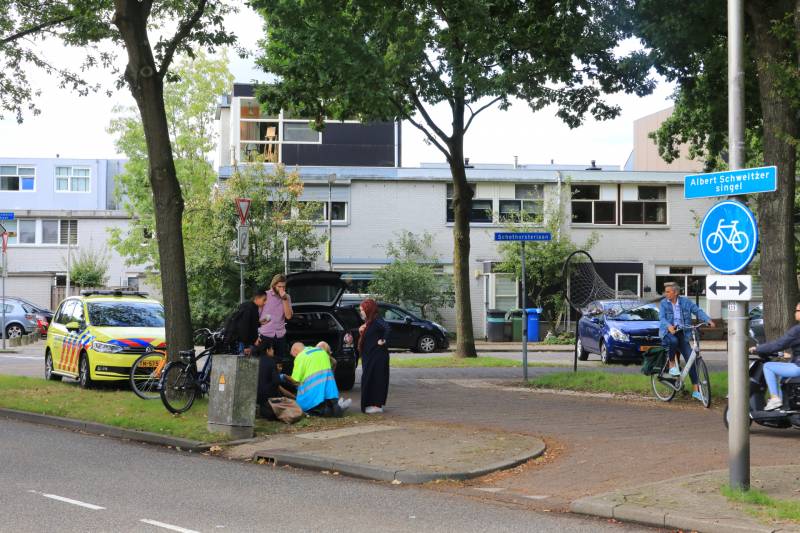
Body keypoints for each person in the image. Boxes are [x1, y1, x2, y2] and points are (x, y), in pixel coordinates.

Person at [659, 282, 715, 402]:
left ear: (676, 292)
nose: (666, 294)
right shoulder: (664, 303)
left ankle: (696, 391)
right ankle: (672, 363)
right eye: (666, 291)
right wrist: (669, 326)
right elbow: (662, 318)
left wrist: (708, 320)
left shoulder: (685, 302)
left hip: (683, 333)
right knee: (673, 341)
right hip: (668, 332)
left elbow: (697, 311)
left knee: (691, 360)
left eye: (668, 291)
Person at [749, 302, 800, 411]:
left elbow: (778, 344)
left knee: (768, 366)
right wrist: (792, 355)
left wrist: (758, 349)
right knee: (783, 377)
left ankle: (775, 398)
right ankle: (785, 405)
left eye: (797, 311)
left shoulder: (797, 330)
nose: (795, 313)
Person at [284, 342, 350, 415]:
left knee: (310, 408)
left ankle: (330, 410)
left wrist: (283, 377)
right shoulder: (321, 351)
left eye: (294, 356)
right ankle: (337, 407)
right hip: (329, 392)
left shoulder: (301, 356)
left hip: (311, 396)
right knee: (329, 405)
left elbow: (295, 380)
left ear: (295, 351)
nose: (295, 357)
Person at [358, 299, 391, 414]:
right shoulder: (370, 321)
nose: (361, 312)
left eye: (362, 310)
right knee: (369, 379)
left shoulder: (377, 320)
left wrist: (383, 340)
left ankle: (376, 405)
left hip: (377, 357)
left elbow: (387, 328)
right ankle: (371, 404)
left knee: (376, 380)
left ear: (368, 310)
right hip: (370, 357)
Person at [258, 274, 293, 365]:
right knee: (264, 364)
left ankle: (277, 378)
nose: (281, 289)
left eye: (284, 287)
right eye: (279, 287)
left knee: (278, 364)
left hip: (280, 336)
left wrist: (284, 298)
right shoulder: (265, 295)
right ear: (274, 285)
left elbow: (288, 316)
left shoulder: (287, 297)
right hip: (265, 335)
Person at [233, 289, 267, 356]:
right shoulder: (249, 308)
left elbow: (251, 325)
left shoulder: (253, 307)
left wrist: (260, 323)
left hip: (249, 343)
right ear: (257, 298)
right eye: (264, 300)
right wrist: (246, 346)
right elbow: (243, 327)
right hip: (246, 344)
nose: (265, 302)